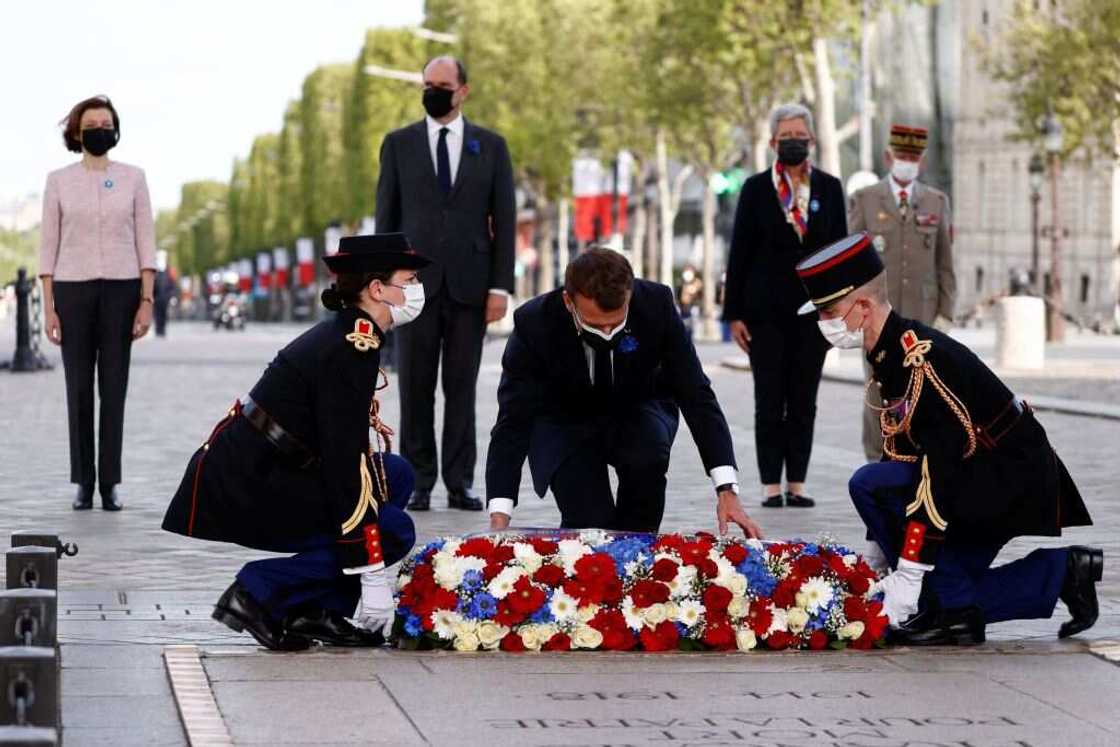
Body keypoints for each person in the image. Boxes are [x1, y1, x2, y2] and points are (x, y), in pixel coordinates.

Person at [794, 231, 1101, 645]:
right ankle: (1062, 572)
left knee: (870, 489)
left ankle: (948, 604)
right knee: (936, 592)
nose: (822, 323)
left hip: (1005, 480)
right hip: (977, 477)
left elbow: (939, 472)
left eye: (828, 312)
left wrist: (911, 569)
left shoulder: (921, 360)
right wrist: (879, 556)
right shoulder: (890, 352)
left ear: (862, 307)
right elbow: (902, 453)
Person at [162, 234, 427, 650]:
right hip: (250, 481)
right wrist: (372, 568)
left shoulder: (354, 334)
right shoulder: (350, 348)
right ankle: (256, 590)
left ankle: (313, 610)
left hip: (273, 467)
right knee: (394, 529)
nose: (416, 291)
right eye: (409, 280)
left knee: (396, 475)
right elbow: (345, 463)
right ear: (377, 289)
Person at [486, 248, 763, 540]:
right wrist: (500, 516)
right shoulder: (534, 323)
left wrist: (727, 489)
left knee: (638, 526)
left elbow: (696, 394)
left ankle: (639, 559)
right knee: (591, 528)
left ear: (629, 295)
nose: (607, 332)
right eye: (595, 324)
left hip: (637, 411)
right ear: (569, 301)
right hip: (563, 421)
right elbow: (512, 421)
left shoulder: (656, 304)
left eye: (616, 323)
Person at [375, 55, 516, 513]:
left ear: (463, 91)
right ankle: (416, 481)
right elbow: (386, 220)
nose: (432, 91)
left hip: (471, 289)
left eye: (441, 84)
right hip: (413, 287)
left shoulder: (491, 147)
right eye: (427, 84)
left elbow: (506, 222)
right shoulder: (398, 144)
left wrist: (500, 287)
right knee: (415, 387)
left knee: (462, 388)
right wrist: (384, 285)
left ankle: (460, 482)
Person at [721, 103, 848, 509]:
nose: (794, 142)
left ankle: (797, 482)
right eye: (786, 136)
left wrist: (840, 306)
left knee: (804, 400)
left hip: (815, 313)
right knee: (769, 400)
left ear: (812, 141)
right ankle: (769, 487)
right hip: (764, 315)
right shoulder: (756, 189)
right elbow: (739, 252)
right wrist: (734, 313)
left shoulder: (829, 188)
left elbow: (839, 251)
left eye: (800, 136)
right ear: (773, 142)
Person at [38, 95, 157, 512]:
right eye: (93, 123)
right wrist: (49, 307)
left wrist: (146, 299)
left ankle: (109, 482)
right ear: (77, 132)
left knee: (114, 386)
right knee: (78, 388)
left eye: (107, 122)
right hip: (72, 290)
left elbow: (146, 242)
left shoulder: (134, 178)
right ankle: (83, 482)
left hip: (122, 289)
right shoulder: (58, 181)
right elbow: (47, 248)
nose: (101, 128)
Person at [848, 124, 956, 461]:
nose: (907, 162)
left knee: (921, 391)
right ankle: (879, 459)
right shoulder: (865, 201)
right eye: (902, 156)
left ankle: (917, 458)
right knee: (880, 392)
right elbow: (850, 264)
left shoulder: (937, 202)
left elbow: (945, 263)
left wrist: (946, 313)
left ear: (922, 161)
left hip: (922, 317)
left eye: (914, 157)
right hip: (876, 316)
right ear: (888, 157)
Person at [676, 264, 703, 338]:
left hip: (693, 306)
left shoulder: (697, 282)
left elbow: (700, 295)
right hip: (683, 306)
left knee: (692, 324)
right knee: (683, 324)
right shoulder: (681, 282)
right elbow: (678, 294)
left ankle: (691, 337)